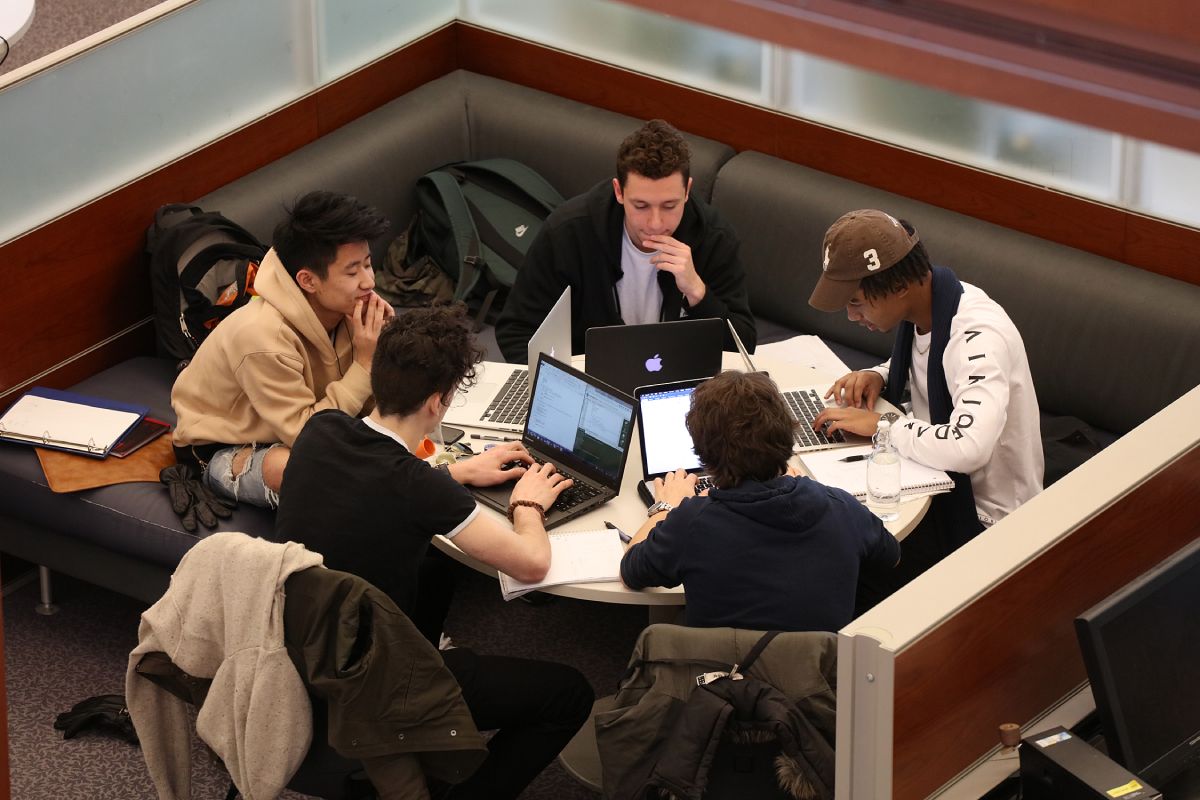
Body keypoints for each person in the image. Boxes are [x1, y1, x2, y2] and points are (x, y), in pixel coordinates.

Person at [274, 304, 594, 800]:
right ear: (437, 403)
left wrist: (457, 471)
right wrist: (528, 502)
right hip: (373, 683)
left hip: (299, 649)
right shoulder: (416, 488)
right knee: (570, 694)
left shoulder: (322, 431)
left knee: (435, 565)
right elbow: (532, 562)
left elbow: (379, 485)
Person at [809, 209, 1043, 608]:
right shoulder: (927, 308)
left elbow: (969, 448)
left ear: (899, 286)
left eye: (857, 303)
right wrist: (880, 374)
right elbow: (932, 366)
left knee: (840, 566)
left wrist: (883, 425)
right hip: (936, 488)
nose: (851, 316)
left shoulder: (975, 335)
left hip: (985, 521)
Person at [620, 370, 898, 632]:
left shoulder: (693, 522)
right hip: (818, 673)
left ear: (703, 456)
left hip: (721, 675)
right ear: (788, 436)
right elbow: (890, 556)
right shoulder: (839, 506)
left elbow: (631, 570)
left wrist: (666, 507)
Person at [170, 190, 392, 509]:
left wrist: (389, 348)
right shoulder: (262, 337)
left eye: (369, 265)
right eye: (352, 271)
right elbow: (308, 440)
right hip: (226, 446)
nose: (368, 282)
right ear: (308, 281)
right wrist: (366, 364)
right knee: (304, 470)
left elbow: (371, 401)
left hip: (311, 423)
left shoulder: (347, 305)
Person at [495, 118, 755, 362]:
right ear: (619, 191)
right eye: (641, 205)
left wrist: (697, 292)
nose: (655, 223)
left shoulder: (714, 237)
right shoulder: (568, 232)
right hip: (592, 385)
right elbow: (517, 331)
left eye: (669, 205)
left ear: (687, 191)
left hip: (679, 386)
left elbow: (743, 348)